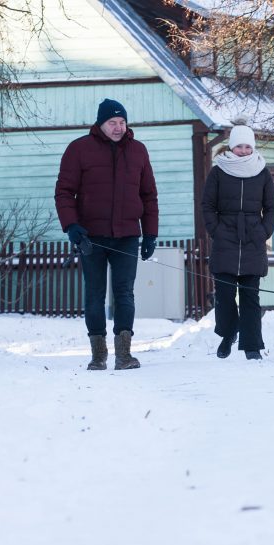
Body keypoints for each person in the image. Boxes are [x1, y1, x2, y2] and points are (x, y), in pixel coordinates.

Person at [55, 98, 159, 371]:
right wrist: (72, 226)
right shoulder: (79, 149)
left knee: (124, 293)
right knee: (94, 294)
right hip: (92, 236)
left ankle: (124, 354)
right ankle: (98, 355)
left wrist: (149, 234)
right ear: (100, 124)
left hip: (126, 234)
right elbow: (64, 192)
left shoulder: (138, 151)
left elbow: (149, 196)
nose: (118, 127)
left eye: (122, 122)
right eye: (112, 123)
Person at [201, 125, 274, 360]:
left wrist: (263, 231)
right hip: (225, 241)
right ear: (231, 147)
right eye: (239, 146)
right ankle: (228, 332)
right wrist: (216, 231)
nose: (244, 151)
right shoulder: (218, 172)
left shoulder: (262, 172)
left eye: (247, 146)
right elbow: (207, 206)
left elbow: (272, 207)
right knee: (224, 295)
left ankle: (252, 347)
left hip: (253, 242)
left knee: (250, 297)